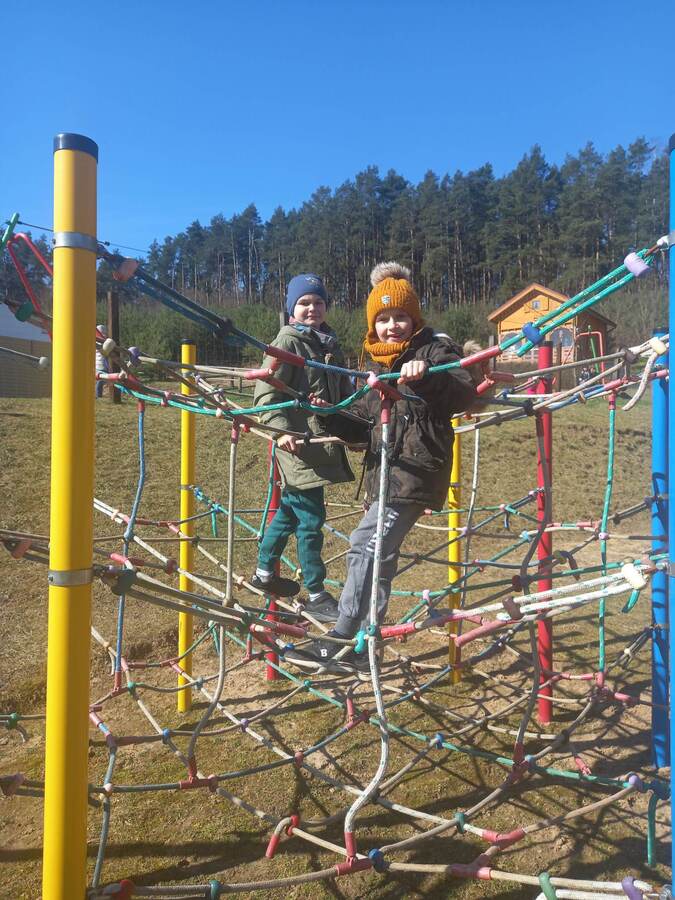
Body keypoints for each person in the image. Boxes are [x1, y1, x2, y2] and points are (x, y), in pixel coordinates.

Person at [285, 262, 478, 671]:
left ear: (414, 318)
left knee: (363, 546)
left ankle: (343, 638)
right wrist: (329, 414)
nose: (392, 326)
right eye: (383, 319)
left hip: (413, 471)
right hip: (385, 473)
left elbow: (462, 394)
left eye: (400, 317)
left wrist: (424, 377)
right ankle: (366, 645)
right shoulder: (375, 364)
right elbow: (362, 428)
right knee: (380, 560)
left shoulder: (434, 351)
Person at [250, 274, 366, 623]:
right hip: (297, 444)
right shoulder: (287, 341)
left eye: (318, 302)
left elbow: (342, 393)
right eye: (304, 303)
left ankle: (264, 573)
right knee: (311, 519)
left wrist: (356, 431)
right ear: (291, 309)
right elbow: (267, 394)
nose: (312, 308)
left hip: (319, 441)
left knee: (289, 512)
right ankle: (316, 593)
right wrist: (280, 432)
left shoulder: (329, 344)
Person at [95, 325, 109, 398]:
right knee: (100, 380)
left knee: (100, 380)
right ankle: (98, 395)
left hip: (97, 364)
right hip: (102, 363)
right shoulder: (102, 341)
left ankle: (98, 394)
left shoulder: (96, 340)